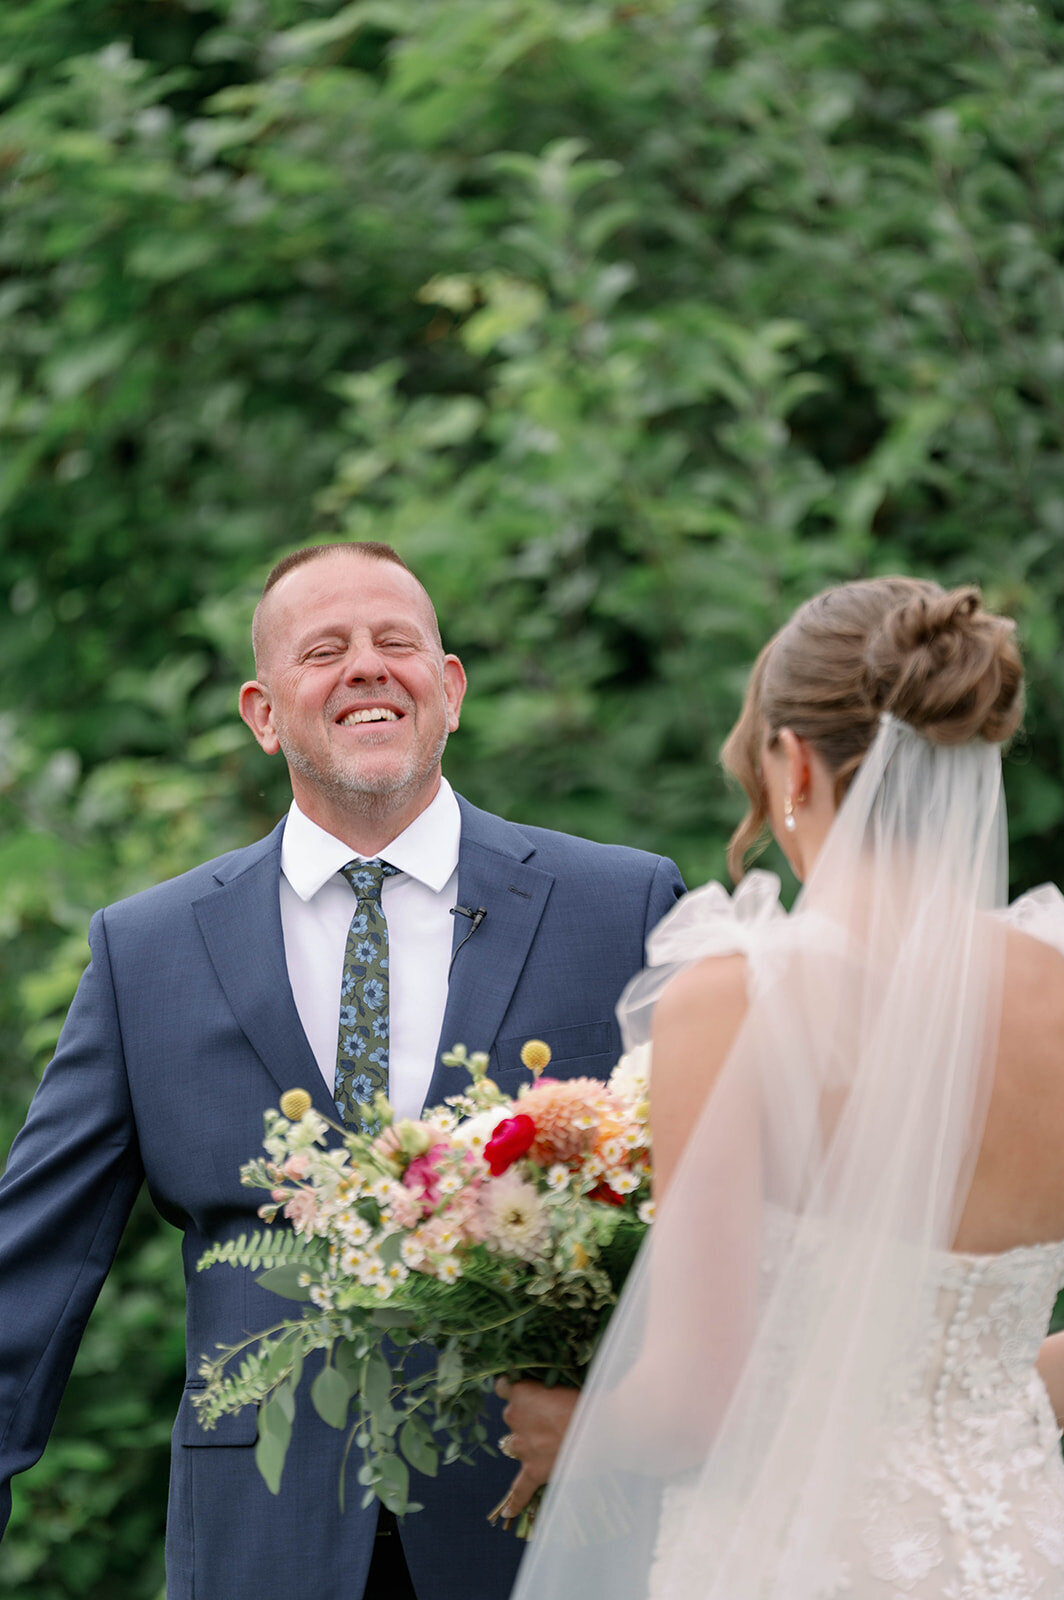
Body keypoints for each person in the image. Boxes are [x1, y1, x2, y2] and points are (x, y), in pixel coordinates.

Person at [0, 540, 685, 1600]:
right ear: (263, 711)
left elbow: (714, 1231)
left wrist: (644, 1432)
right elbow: (30, 1267)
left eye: (395, 642)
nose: (366, 666)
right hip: (257, 1544)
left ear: (447, 689)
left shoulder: (620, 907)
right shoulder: (146, 951)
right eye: (324, 650)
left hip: (544, 1534)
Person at [508, 577, 1064, 1600]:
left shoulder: (738, 999)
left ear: (790, 760)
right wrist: (978, 1400)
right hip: (1023, 1557)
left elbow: (690, 1399)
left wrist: (577, 1427)